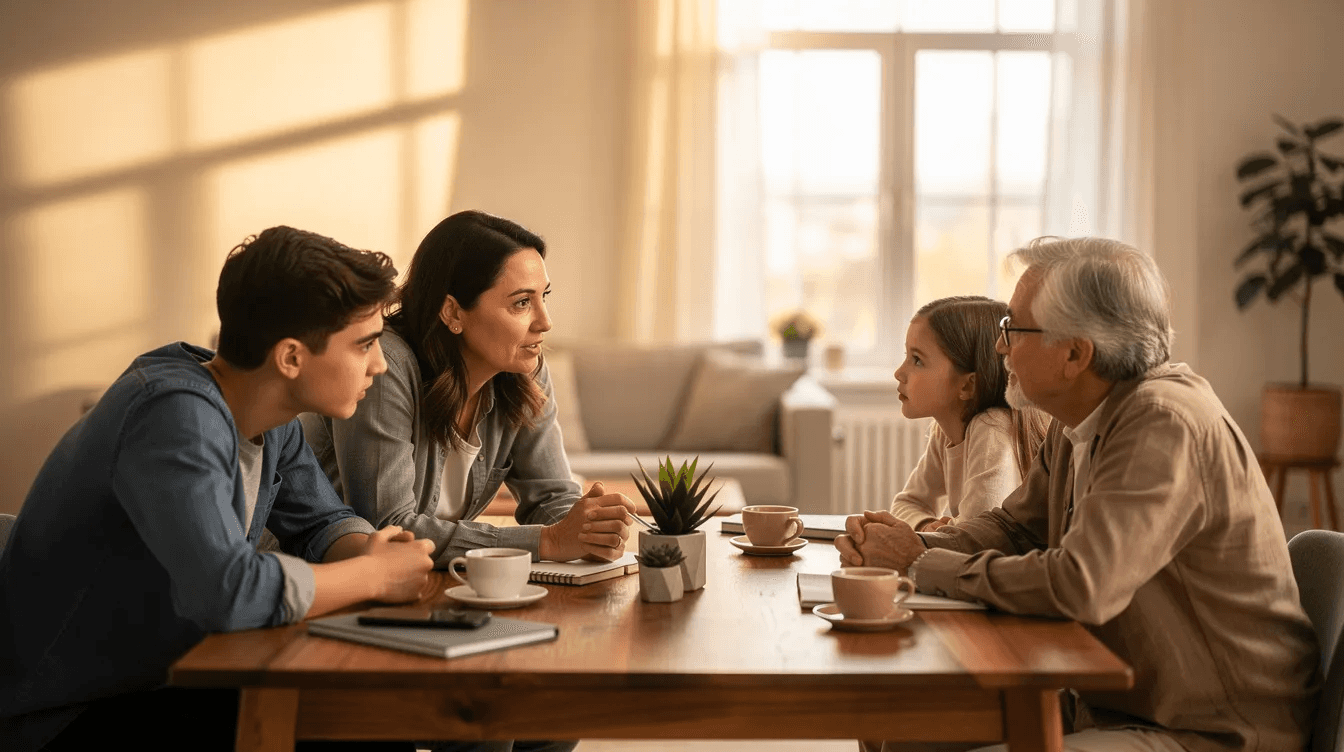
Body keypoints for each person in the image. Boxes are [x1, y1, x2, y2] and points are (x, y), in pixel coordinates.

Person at [837, 237, 1319, 752]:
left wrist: (918, 565)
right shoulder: (1081, 421)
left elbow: (1080, 584)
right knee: (896, 728)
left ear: (1074, 353)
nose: (1000, 346)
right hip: (1123, 701)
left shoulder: (1162, 421)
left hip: (1212, 728)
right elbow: (1015, 527)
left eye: (1012, 329)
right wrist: (915, 548)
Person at [0, 227, 436, 752]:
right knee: (357, 726)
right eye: (365, 344)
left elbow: (321, 522)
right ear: (291, 357)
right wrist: (370, 576)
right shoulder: (173, 416)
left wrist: (372, 549)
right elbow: (227, 591)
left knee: (371, 714)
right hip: (66, 713)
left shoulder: (270, 415)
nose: (381, 364)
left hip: (168, 679)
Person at [301, 210, 634, 573]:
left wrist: (588, 527)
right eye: (522, 302)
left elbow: (551, 496)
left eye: (544, 297)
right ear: (453, 312)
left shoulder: (524, 370)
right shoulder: (386, 365)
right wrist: (549, 541)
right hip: (326, 575)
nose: (545, 321)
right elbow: (387, 528)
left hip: (434, 579)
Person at [886, 296, 1048, 533]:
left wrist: (940, 534)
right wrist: (927, 526)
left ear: (967, 386)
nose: (899, 372)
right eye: (906, 356)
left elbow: (976, 535)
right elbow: (908, 502)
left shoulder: (991, 429)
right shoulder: (944, 431)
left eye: (917, 360)